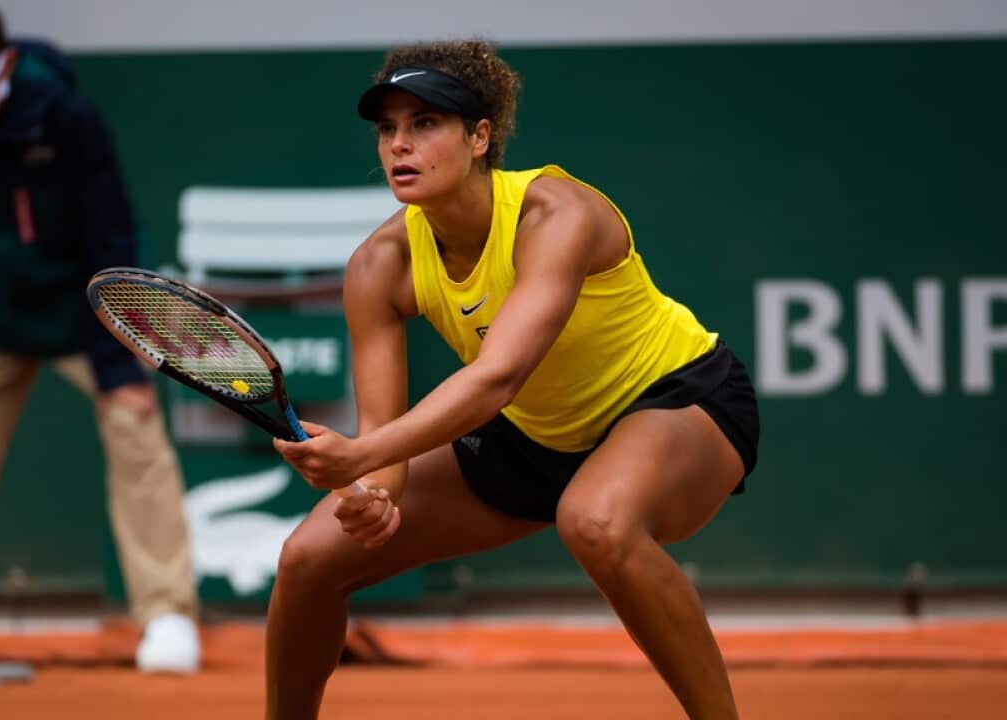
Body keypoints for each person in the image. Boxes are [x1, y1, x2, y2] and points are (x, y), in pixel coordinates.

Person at [270, 39, 760, 719]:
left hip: (675, 401)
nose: (399, 147)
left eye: (425, 124)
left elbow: (497, 377)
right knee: (307, 559)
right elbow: (383, 448)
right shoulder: (378, 266)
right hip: (533, 438)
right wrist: (372, 494)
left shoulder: (556, 214)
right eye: (388, 129)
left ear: (480, 137)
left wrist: (361, 455)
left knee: (595, 520)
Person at [0, 0, 199, 673]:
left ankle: (167, 614)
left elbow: (111, 236)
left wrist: (121, 362)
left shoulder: (64, 117)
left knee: (135, 431)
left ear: (1, 65)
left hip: (84, 306)